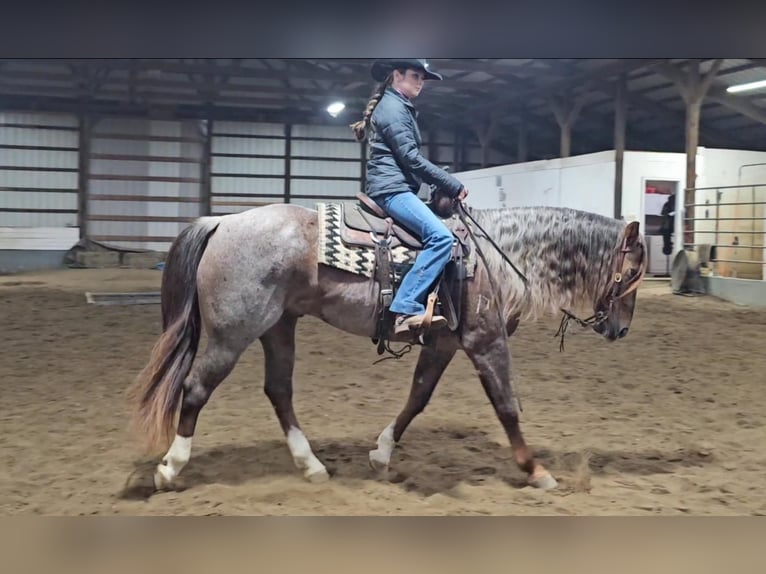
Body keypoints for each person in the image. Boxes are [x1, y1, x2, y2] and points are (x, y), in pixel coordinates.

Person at [350, 58, 469, 336]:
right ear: (396, 75)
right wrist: (450, 184)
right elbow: (411, 159)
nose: (420, 82)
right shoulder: (393, 108)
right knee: (441, 238)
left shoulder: (396, 106)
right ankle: (405, 306)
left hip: (395, 187)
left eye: (422, 78)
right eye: (415, 75)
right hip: (392, 191)